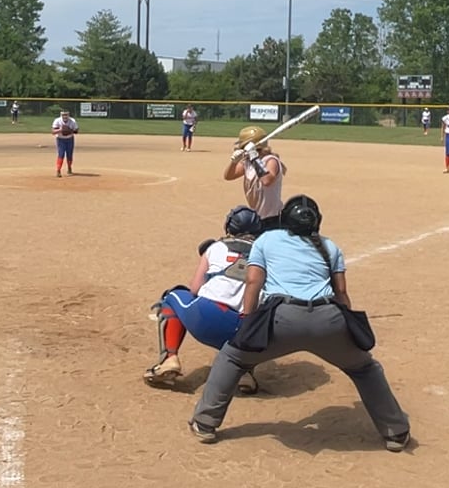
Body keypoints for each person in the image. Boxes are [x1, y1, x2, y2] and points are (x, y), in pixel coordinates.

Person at [189, 195, 411, 451]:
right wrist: (348, 329)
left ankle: (205, 423)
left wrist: (248, 320)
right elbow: (341, 293)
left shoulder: (267, 240)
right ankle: (395, 432)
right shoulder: (329, 246)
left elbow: (253, 282)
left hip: (281, 319)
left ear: (284, 220)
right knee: (364, 368)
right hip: (328, 320)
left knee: (232, 358)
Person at [146, 206, 264, 394]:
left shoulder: (216, 247)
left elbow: (195, 289)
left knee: (173, 296)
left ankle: (169, 358)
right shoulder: (266, 255)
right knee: (259, 318)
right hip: (245, 335)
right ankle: (244, 372)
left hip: (207, 317)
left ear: (229, 227)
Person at [225, 125, 285, 231]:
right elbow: (228, 176)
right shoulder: (247, 162)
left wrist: (254, 158)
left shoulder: (271, 160)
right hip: (256, 217)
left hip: (273, 218)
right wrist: (233, 162)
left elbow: (266, 181)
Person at [51, 108, 79, 176]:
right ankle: (58, 170)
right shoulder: (57, 120)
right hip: (60, 139)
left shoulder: (72, 121)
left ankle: (69, 168)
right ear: (61, 115)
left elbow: (76, 131)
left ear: (68, 115)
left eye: (66, 115)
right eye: (63, 115)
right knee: (61, 154)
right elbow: (53, 132)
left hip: (70, 139)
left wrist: (70, 130)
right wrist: (61, 130)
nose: (65, 116)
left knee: (69, 155)